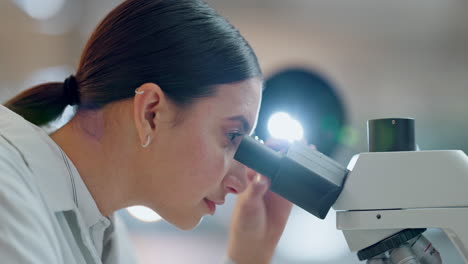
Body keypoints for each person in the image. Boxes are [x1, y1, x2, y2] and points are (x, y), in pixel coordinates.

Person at [0, 0, 292, 263]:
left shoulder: (104, 235)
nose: (241, 183)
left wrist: (249, 258)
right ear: (151, 113)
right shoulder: (7, 195)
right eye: (231, 137)